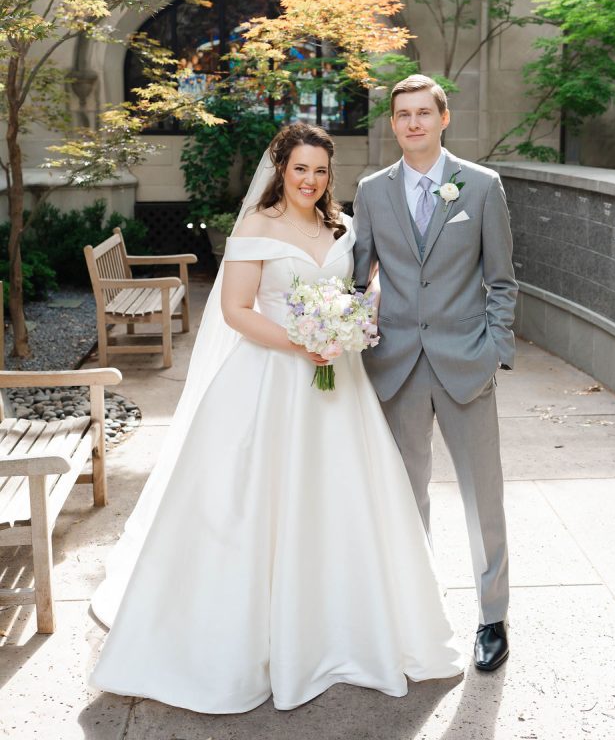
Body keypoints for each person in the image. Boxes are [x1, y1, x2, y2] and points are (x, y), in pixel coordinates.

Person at [90, 122, 464, 714]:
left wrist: (353, 322)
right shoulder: (256, 227)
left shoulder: (341, 227)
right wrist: (301, 341)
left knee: (342, 498)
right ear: (281, 171)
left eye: (320, 171)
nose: (309, 181)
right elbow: (237, 310)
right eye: (300, 169)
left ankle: (342, 629)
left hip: (338, 386)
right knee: (261, 501)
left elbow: (364, 287)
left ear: (329, 176)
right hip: (269, 381)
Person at [353, 75, 518, 673]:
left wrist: (494, 348)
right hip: (395, 365)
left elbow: (502, 279)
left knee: (482, 497)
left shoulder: (481, 185)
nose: (413, 123)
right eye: (403, 114)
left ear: (443, 119)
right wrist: (351, 336)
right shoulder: (371, 191)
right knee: (405, 497)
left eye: (424, 112)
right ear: (393, 123)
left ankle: (492, 617)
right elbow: (357, 277)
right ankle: (416, 614)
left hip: (466, 362)